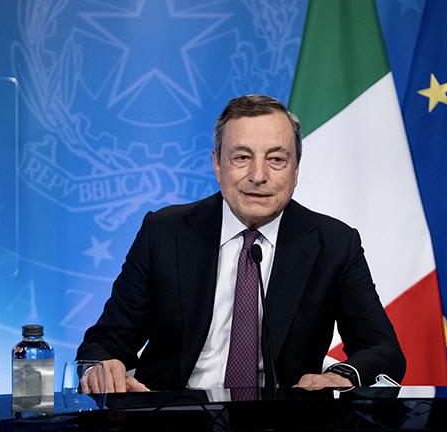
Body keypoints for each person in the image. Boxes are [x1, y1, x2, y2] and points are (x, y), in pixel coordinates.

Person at [76, 94, 405, 393]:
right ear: (217, 164)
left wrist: (342, 375)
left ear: (296, 170)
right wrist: (102, 369)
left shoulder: (334, 243)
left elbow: (383, 350)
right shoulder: (163, 232)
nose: (258, 175)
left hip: (285, 428)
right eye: (242, 157)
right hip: (173, 423)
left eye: (276, 159)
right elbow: (106, 341)